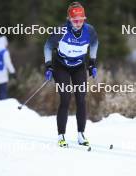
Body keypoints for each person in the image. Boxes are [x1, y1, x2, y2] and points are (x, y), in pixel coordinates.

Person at [44, 2, 98, 147]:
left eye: (81, 20)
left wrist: (92, 62)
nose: (78, 23)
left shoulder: (90, 31)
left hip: (79, 66)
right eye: (75, 21)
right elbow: (48, 47)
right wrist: (49, 66)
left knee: (81, 99)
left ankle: (81, 135)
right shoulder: (61, 31)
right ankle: (61, 136)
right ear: (69, 19)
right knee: (66, 98)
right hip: (61, 66)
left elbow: (94, 44)